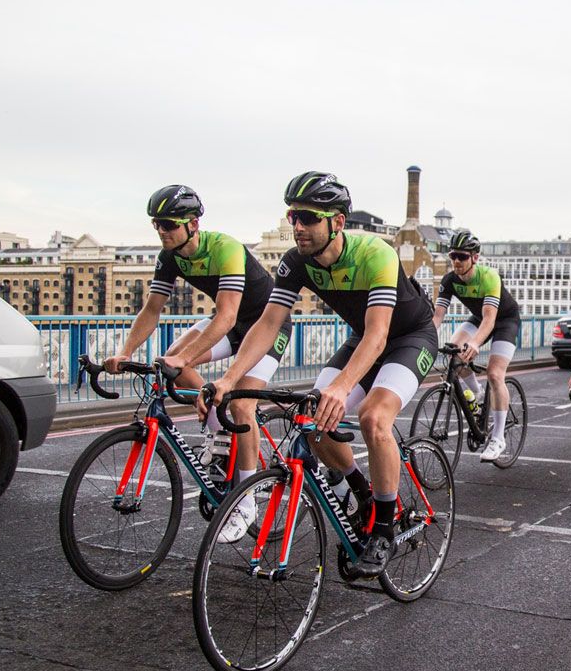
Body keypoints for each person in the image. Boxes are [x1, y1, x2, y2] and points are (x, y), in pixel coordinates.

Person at [202, 171, 437, 578]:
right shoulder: (296, 262)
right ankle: (360, 491)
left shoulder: (374, 254)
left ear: (337, 222)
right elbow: (268, 323)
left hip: (408, 337)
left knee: (373, 418)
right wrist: (230, 378)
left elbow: (380, 334)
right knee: (311, 420)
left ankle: (383, 526)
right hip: (365, 339)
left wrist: (343, 385)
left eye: (308, 218)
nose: (298, 227)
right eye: (293, 216)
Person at [105, 185, 292, 543]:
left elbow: (226, 317)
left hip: (266, 325)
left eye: (169, 224)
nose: (162, 230)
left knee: (241, 403)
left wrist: (185, 357)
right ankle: (217, 430)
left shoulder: (225, 249)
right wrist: (126, 352)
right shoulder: (169, 255)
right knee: (169, 362)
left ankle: (246, 499)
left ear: (193, 223)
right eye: (156, 224)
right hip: (234, 324)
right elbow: (152, 310)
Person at [432, 229, 521, 462]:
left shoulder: (489, 276)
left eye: (462, 256)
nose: (456, 261)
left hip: (504, 320)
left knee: (494, 373)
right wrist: (426, 339)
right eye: (453, 256)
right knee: (455, 350)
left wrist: (475, 343)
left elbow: (490, 319)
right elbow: (437, 316)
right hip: (479, 318)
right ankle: (479, 395)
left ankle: (498, 438)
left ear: (475, 257)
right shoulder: (449, 280)